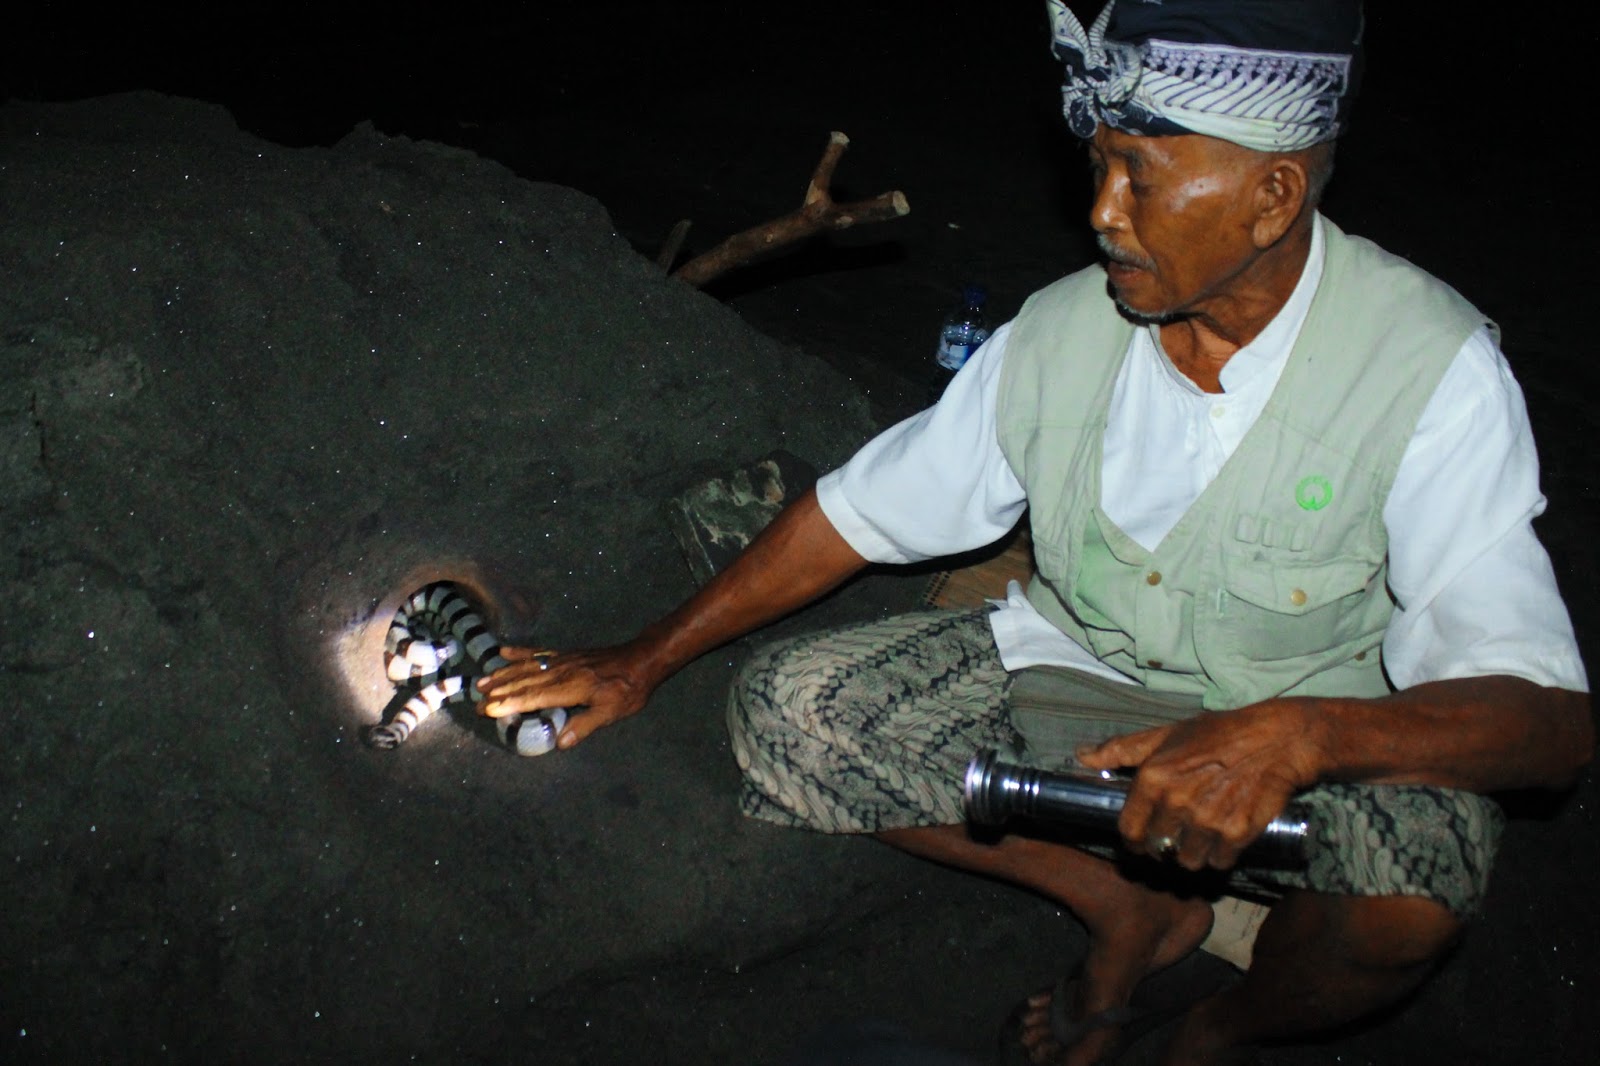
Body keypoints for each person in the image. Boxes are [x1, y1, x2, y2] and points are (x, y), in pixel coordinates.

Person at [480, 1, 1593, 1062]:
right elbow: (858, 512)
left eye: (1140, 176)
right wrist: (642, 659)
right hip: (1081, 678)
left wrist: (1294, 736)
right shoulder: (1063, 332)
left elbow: (1546, 724)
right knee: (787, 711)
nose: (1102, 209)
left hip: (1311, 729)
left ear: (1270, 196)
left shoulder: (1427, 368)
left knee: (1417, 888)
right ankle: (1124, 911)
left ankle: (1218, 1031)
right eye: (1098, 165)